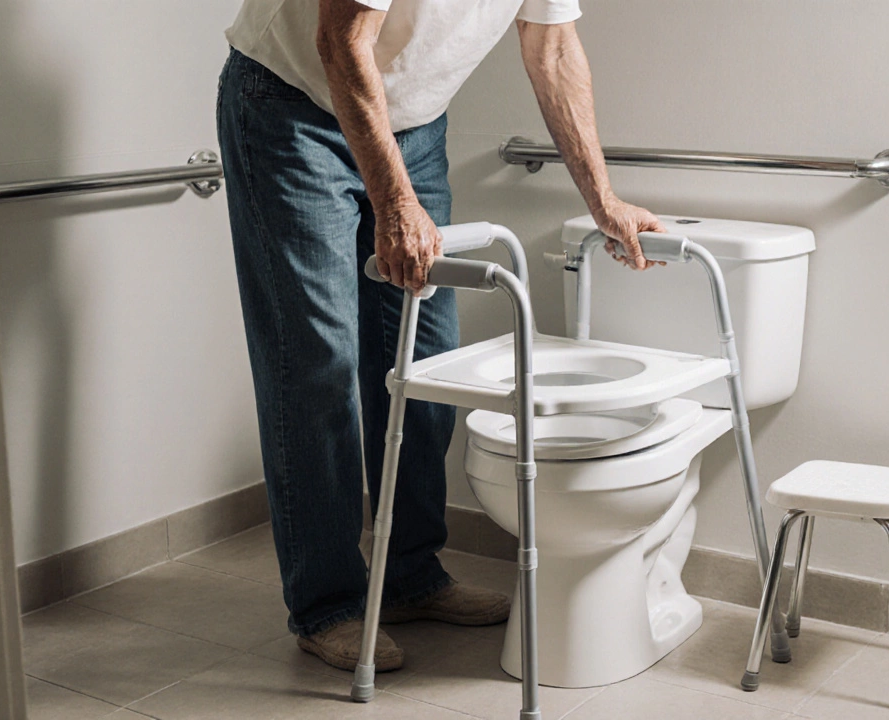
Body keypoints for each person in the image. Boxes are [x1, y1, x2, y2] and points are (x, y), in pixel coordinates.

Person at [216, 0, 664, 672]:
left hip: (413, 126)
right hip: (292, 109)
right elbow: (340, 42)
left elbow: (554, 49)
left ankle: (410, 577)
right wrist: (394, 202)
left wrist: (601, 199)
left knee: (429, 358)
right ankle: (327, 603)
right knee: (317, 365)